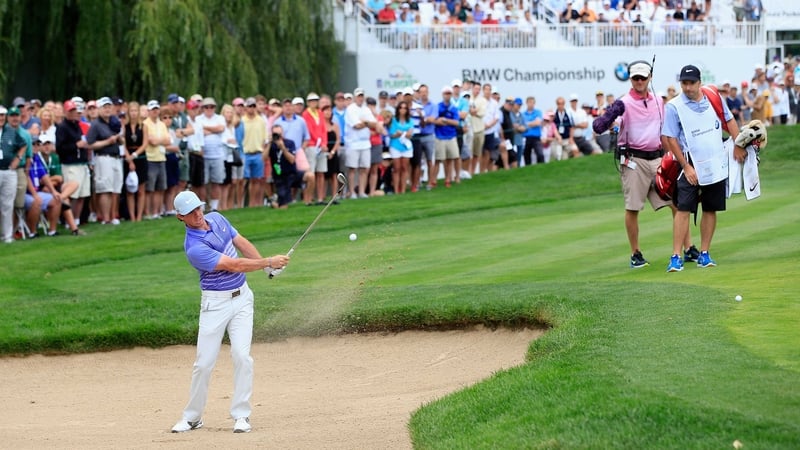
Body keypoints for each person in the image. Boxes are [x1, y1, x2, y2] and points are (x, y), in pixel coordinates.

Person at [170, 190, 289, 434]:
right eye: (190, 212)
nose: (197, 214)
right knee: (204, 364)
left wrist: (266, 268)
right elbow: (234, 265)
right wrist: (268, 262)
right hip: (215, 305)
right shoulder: (194, 248)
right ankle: (193, 418)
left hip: (242, 299)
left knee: (242, 356)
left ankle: (241, 415)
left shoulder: (217, 218)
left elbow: (240, 242)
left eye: (198, 208)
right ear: (180, 217)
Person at [594, 60, 699, 268]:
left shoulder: (658, 101)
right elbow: (601, 126)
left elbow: (664, 131)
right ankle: (636, 253)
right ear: (631, 79)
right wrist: (611, 117)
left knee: (678, 204)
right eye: (636, 78)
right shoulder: (623, 103)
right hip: (633, 159)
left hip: (658, 158)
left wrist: (671, 156)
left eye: (643, 77)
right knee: (633, 207)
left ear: (650, 77)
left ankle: (688, 248)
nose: (640, 81)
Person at [661, 64, 745, 272]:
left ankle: (704, 253)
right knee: (683, 209)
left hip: (716, 162)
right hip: (689, 163)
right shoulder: (674, 106)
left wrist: (738, 144)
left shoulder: (713, 97)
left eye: (691, 83)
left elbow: (729, 120)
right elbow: (670, 138)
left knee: (710, 208)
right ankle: (675, 256)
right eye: (684, 83)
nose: (688, 87)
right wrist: (686, 166)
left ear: (699, 82)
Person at [86, 97, 125, 225]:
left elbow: (121, 141)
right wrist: (107, 142)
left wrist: (119, 139)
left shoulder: (114, 122)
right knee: (105, 188)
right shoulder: (96, 124)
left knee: (115, 188)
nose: (107, 109)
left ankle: (113, 216)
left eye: (109, 107)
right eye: (104, 107)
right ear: (99, 109)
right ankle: (105, 218)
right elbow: (90, 144)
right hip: (103, 157)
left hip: (116, 157)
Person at [344, 88, 378, 198]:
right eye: (358, 96)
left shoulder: (366, 109)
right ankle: (352, 192)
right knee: (352, 169)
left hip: (365, 143)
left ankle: (361, 191)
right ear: (355, 97)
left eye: (362, 96)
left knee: (364, 168)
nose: (360, 98)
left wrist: (365, 122)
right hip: (353, 143)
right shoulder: (350, 109)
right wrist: (367, 123)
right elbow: (356, 126)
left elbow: (374, 124)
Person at [0, 105, 27, 243]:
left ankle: (7, 236)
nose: (1, 118)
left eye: (2, 115)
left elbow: (23, 145)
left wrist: (18, 159)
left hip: (9, 171)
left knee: (8, 204)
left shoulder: (10, 131)